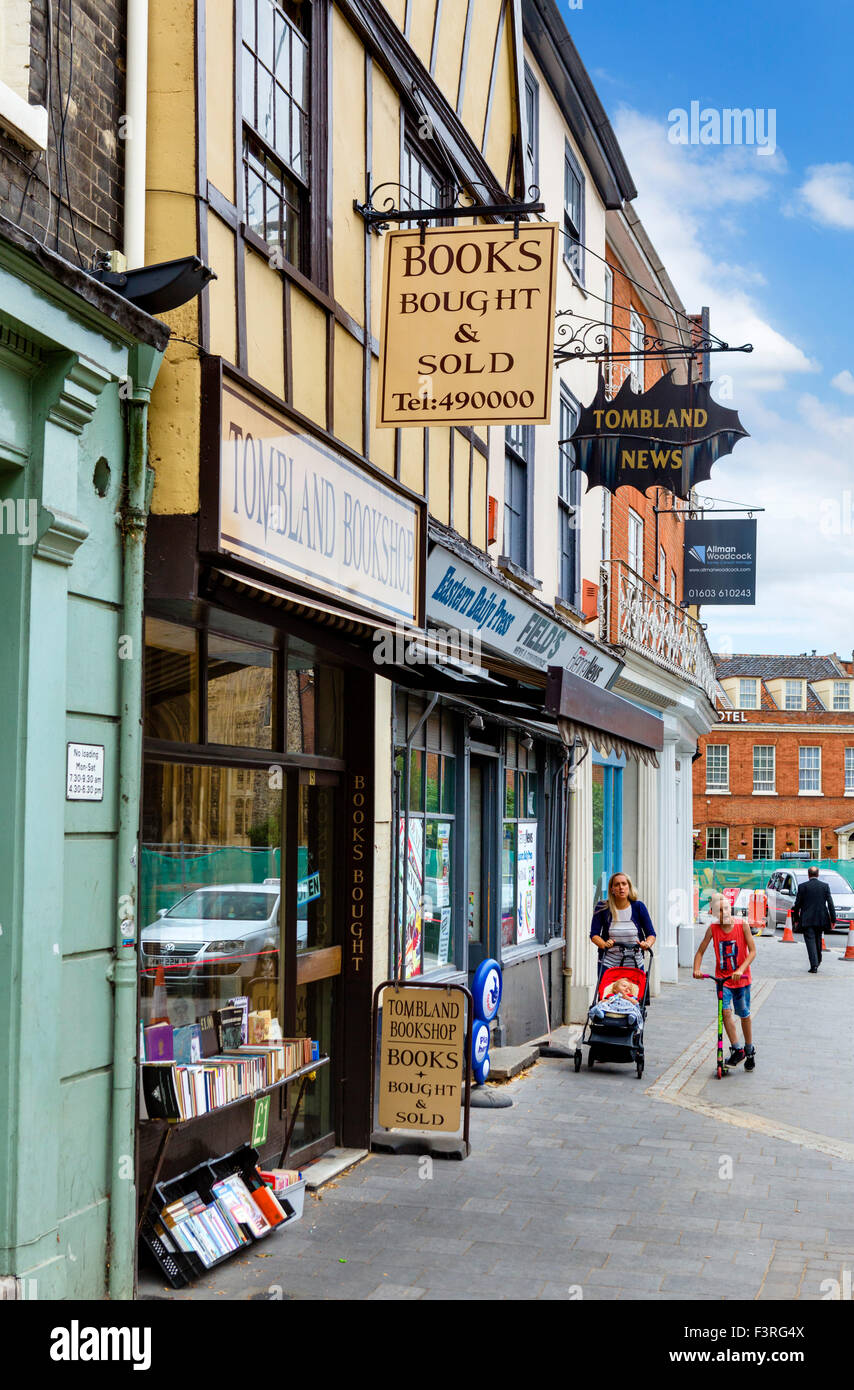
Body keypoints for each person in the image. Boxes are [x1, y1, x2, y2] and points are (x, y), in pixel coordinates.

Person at [693, 892, 757, 1069]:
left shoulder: (742, 925)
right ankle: (737, 1049)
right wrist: (696, 969)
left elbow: (752, 951)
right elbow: (700, 951)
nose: (725, 913)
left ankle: (749, 1048)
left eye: (727, 908)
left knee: (744, 1013)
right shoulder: (713, 929)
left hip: (742, 979)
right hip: (723, 980)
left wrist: (741, 969)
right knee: (725, 1013)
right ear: (713, 913)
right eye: (720, 911)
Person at [589, 871, 656, 969]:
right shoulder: (602, 907)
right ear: (612, 889)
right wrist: (604, 944)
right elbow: (594, 935)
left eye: (624, 884)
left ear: (629, 887)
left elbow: (651, 934)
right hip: (609, 965)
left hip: (635, 965)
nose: (621, 887)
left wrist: (647, 944)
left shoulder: (639, 907)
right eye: (617, 885)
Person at [791, 865, 836, 973]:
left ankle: (814, 965)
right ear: (818, 874)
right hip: (821, 918)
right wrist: (833, 920)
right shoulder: (825, 886)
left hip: (807, 919)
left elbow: (797, 905)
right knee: (818, 939)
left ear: (808, 875)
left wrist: (796, 919)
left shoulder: (802, 887)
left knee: (810, 941)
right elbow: (830, 903)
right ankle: (818, 959)